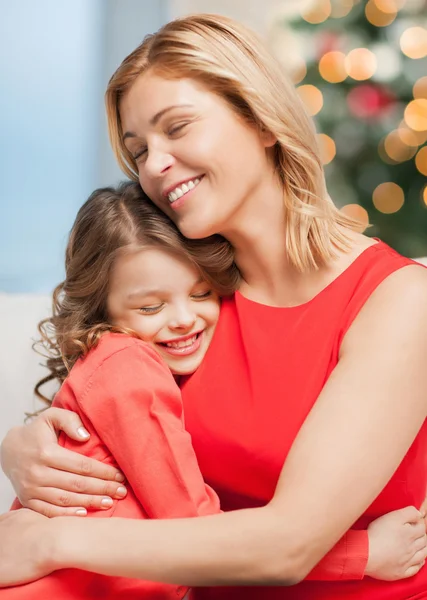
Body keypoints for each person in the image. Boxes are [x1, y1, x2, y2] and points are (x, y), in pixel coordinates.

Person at [1, 13, 427, 600]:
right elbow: (111, 420)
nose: (154, 164)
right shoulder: (185, 305)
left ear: (262, 121)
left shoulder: (397, 302)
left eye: (177, 128)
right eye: (138, 151)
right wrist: (24, 451)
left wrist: (51, 541)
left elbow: (289, 544)